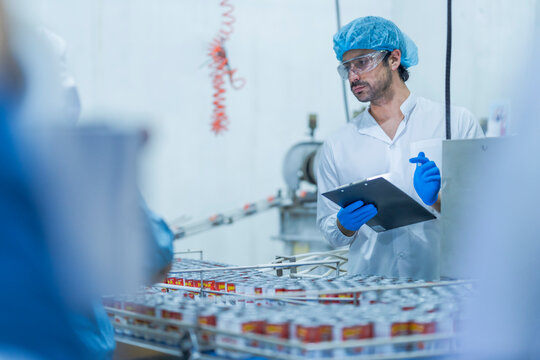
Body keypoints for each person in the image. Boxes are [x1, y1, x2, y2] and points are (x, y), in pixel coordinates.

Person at [316, 16, 484, 280]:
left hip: (442, 288)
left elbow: (484, 214)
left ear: (394, 59)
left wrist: (437, 201)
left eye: (362, 62)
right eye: (346, 67)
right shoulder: (338, 145)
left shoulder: (454, 122)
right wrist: (343, 225)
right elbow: (330, 230)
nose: (353, 76)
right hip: (371, 293)